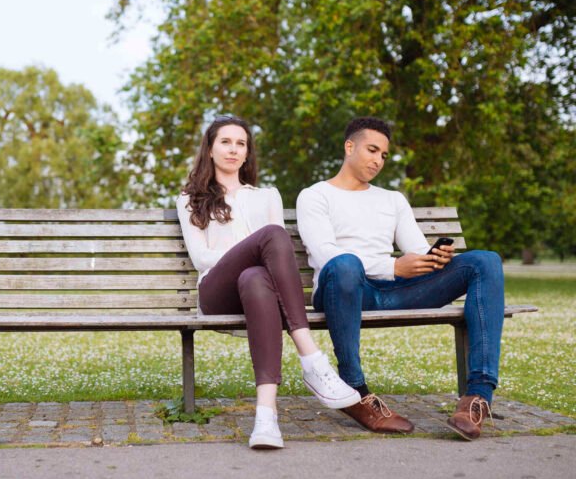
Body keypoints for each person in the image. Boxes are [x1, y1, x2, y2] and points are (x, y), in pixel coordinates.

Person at [296, 116, 505, 440]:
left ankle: (477, 397)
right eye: (372, 150)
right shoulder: (315, 195)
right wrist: (392, 267)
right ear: (349, 146)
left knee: (485, 262)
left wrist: (432, 258)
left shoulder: (392, 199)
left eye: (383, 155)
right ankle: (355, 392)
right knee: (346, 263)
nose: (378, 160)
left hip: (396, 290)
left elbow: (416, 250)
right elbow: (327, 256)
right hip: (346, 289)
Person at [177, 115, 360, 449]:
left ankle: (266, 417)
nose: (233, 149)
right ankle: (312, 360)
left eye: (241, 144)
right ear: (211, 148)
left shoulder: (267, 196)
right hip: (216, 293)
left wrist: (252, 257)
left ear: (248, 154)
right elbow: (202, 258)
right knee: (270, 238)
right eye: (226, 142)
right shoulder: (190, 198)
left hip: (257, 289)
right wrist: (249, 250)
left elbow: (276, 262)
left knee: (256, 275)